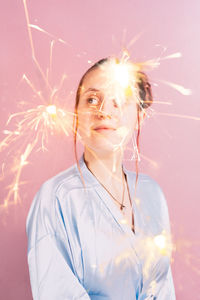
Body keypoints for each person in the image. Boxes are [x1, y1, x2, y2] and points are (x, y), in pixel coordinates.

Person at [26, 56, 176, 299]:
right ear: (77, 114)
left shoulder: (152, 193)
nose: (103, 111)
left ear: (140, 117)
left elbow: (163, 288)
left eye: (120, 100)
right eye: (92, 99)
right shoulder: (55, 198)